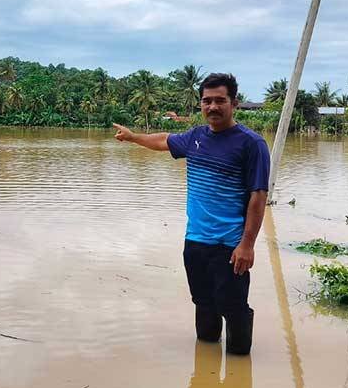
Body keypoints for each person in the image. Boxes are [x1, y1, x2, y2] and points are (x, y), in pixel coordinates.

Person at [113, 73, 270, 355]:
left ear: (234, 103)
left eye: (220, 100)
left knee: (233, 308)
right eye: (206, 101)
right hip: (196, 241)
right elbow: (164, 141)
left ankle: (237, 372)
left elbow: (258, 198)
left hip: (230, 244)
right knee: (203, 303)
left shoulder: (252, 144)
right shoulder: (196, 137)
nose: (212, 107)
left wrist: (247, 245)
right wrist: (134, 137)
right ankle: (206, 372)